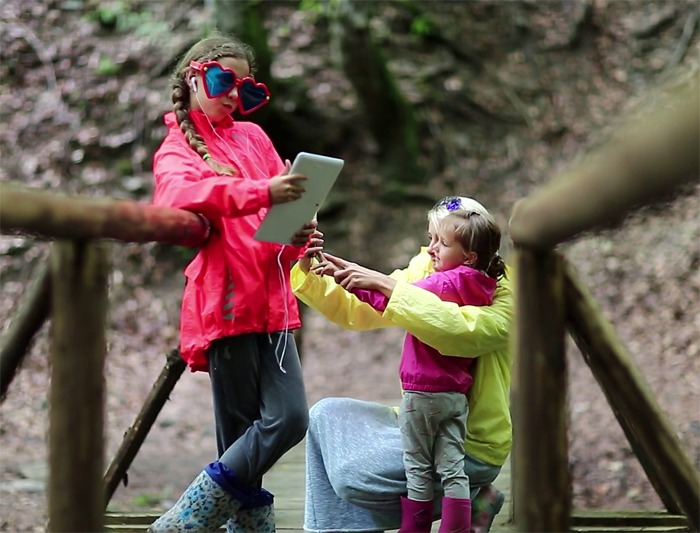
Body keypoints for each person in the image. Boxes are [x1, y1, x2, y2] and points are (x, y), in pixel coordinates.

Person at [148, 34, 314, 533]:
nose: (233, 94)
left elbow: (276, 233)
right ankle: (241, 525)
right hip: (225, 304)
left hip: (274, 302)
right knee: (240, 435)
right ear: (194, 77)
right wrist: (261, 190)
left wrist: (297, 234)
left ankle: (187, 517)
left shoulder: (255, 138)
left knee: (290, 418)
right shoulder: (176, 146)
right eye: (223, 80)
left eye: (246, 87)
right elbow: (176, 194)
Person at [291, 196, 512, 533]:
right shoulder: (428, 265)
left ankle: (471, 499)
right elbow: (362, 308)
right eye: (430, 239)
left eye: (442, 241)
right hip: (418, 419)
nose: (432, 249)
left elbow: (460, 330)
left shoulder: (502, 289)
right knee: (325, 415)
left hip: (469, 445)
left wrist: (390, 288)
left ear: (472, 251)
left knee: (351, 479)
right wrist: (314, 270)